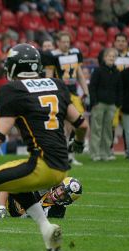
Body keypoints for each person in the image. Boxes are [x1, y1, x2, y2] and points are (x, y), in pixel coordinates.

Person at [0, 43, 88, 251]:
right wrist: (78, 143)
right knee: (17, 184)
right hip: (61, 168)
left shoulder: (13, 90)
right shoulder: (57, 85)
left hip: (42, 164)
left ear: (13, 67)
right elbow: (82, 124)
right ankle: (47, 229)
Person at [44, 31, 89, 166]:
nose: (66, 44)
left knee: (76, 125)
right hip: (60, 93)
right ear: (58, 42)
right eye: (63, 41)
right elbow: (49, 76)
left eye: (68, 41)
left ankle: (69, 155)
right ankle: (64, 155)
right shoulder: (52, 55)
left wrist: (85, 91)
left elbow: (79, 74)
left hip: (74, 94)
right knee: (65, 127)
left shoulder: (75, 53)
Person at [0, 177, 83, 219]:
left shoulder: (57, 212)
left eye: (64, 194)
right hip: (16, 201)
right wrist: (1, 208)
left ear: (67, 200)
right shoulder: (45, 185)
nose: (59, 194)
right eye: (61, 189)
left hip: (22, 213)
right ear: (58, 185)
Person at [89, 48, 123, 161]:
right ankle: (95, 153)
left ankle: (105, 153)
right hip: (99, 104)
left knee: (108, 129)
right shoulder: (98, 71)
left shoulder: (117, 72)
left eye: (113, 56)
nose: (111, 58)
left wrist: (117, 103)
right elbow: (92, 87)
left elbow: (119, 89)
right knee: (96, 129)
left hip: (111, 105)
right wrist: (94, 102)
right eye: (109, 56)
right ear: (104, 58)